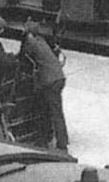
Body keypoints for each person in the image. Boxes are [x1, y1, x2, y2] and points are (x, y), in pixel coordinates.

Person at [21, 20, 70, 153]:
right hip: (58, 78)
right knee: (49, 109)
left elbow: (23, 57)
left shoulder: (31, 42)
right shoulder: (41, 41)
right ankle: (47, 137)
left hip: (50, 81)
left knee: (53, 111)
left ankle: (61, 144)